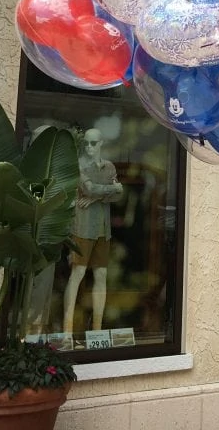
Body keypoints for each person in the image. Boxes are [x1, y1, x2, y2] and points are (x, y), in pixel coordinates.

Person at [63, 128, 125, 341]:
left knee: (101, 275)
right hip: (82, 226)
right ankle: (67, 329)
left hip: (103, 228)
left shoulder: (109, 166)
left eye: (93, 143)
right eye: (86, 143)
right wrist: (109, 191)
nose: (89, 147)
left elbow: (120, 195)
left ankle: (97, 330)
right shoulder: (79, 166)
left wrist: (99, 196)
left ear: (101, 144)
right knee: (78, 274)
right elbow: (90, 189)